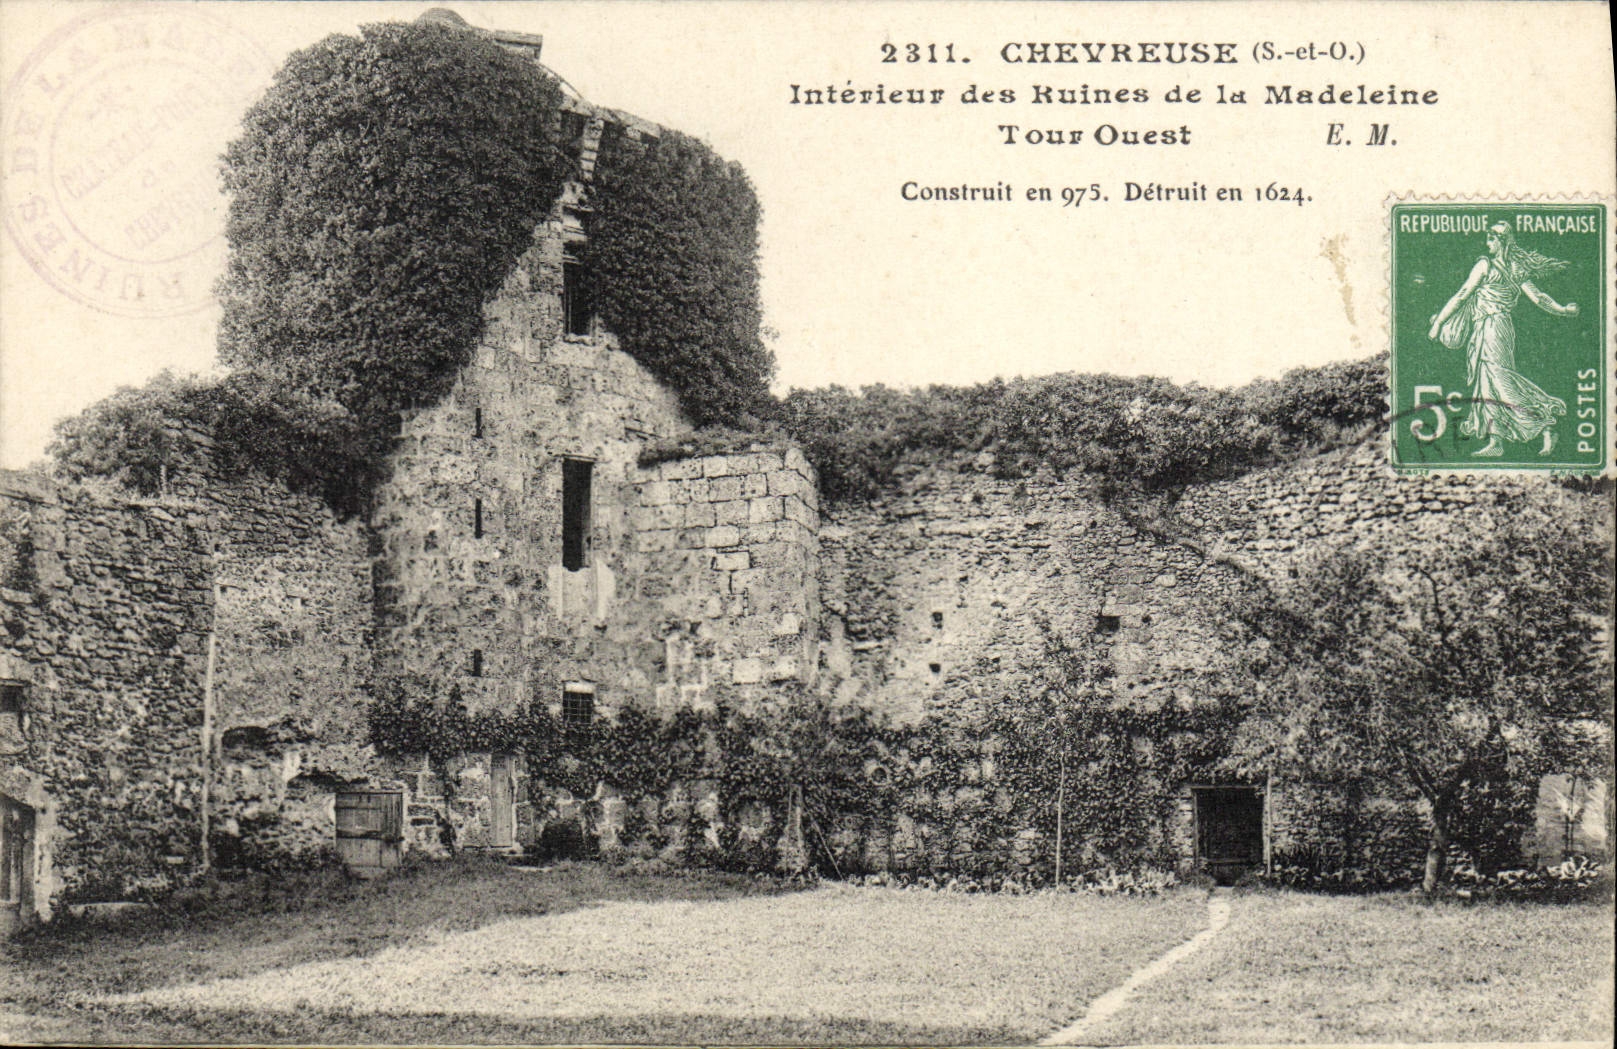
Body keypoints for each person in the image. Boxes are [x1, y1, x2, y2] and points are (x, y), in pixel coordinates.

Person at [1426, 222, 1579, 457]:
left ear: (1501, 241)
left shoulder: (1485, 265)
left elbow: (1462, 294)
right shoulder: (1516, 268)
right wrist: (1562, 310)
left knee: (1499, 381)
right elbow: (1539, 298)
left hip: (1492, 328)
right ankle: (1496, 441)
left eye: (1491, 239)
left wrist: (1438, 323)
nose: (1487, 243)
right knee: (1488, 383)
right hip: (1495, 328)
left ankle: (1545, 423)